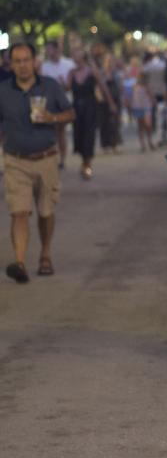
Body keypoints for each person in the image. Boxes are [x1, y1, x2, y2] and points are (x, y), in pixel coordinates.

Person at [0, 43, 74, 282]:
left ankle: (45, 253)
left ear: (34, 62)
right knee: (18, 212)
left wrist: (51, 117)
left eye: (26, 60)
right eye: (17, 61)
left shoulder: (50, 86)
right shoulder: (3, 91)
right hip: (15, 160)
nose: (22, 65)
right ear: (10, 64)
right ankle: (20, 262)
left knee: (45, 212)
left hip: (46, 158)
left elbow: (70, 113)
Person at [67, 49, 114, 180]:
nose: (75, 57)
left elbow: (103, 87)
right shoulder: (72, 72)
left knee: (89, 135)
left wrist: (111, 103)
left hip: (90, 107)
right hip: (77, 108)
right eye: (74, 55)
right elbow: (67, 88)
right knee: (79, 136)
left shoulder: (92, 71)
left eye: (77, 54)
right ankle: (84, 161)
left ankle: (88, 164)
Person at [40, 41, 75, 169]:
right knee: (52, 132)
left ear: (56, 50)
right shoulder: (45, 67)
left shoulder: (69, 64)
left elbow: (71, 84)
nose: (48, 52)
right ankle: (53, 157)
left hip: (64, 102)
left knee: (61, 131)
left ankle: (63, 158)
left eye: (50, 49)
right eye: (47, 50)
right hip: (50, 103)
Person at [97, 52, 122, 153]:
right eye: (108, 61)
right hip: (104, 101)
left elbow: (120, 87)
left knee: (115, 123)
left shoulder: (117, 73)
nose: (110, 63)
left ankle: (114, 143)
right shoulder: (101, 73)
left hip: (116, 99)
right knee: (105, 123)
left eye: (112, 61)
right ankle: (105, 144)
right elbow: (100, 87)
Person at [131, 72, 155, 152]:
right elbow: (132, 96)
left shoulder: (146, 86)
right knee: (140, 127)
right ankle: (143, 144)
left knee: (148, 126)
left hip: (146, 107)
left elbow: (151, 96)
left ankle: (149, 141)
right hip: (138, 107)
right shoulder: (135, 86)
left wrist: (154, 104)